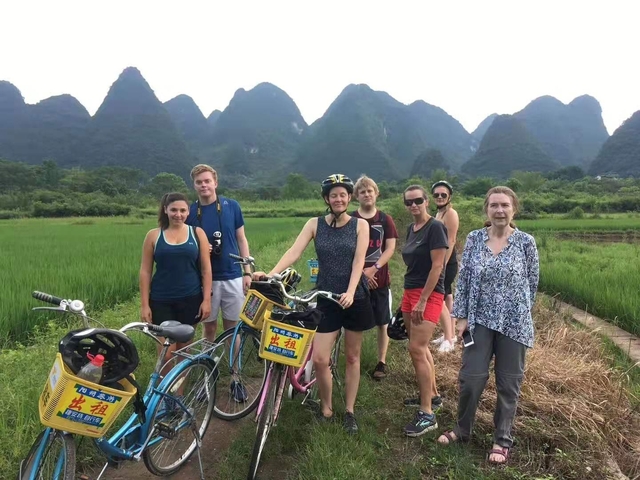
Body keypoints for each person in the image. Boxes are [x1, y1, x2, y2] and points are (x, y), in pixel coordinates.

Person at [253, 174, 374, 435]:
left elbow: (358, 262)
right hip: (326, 297)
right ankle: (327, 409)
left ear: (349, 197)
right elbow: (294, 252)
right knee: (320, 359)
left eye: (343, 194)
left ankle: (350, 411)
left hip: (355, 298)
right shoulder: (314, 224)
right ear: (326, 199)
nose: (339, 199)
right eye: (334, 195)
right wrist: (272, 274)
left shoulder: (360, 225)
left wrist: (351, 291)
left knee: (352, 356)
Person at [437, 186, 539, 466]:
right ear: (487, 209)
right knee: (471, 378)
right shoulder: (473, 239)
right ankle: (462, 428)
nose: (499, 210)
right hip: (478, 321)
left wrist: (517, 312)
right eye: (494, 205)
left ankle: (501, 439)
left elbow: (532, 283)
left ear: (513, 209)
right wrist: (461, 317)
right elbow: (465, 278)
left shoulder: (526, 242)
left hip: (514, 324)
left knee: (509, 384)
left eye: (505, 205)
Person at [186, 164, 252, 402]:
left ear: (215, 182)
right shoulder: (190, 212)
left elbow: (241, 239)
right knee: (209, 329)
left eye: (207, 181)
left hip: (233, 275)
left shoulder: (231, 206)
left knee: (233, 330)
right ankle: (207, 379)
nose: (204, 185)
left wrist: (247, 271)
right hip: (206, 281)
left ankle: (236, 378)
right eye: (199, 182)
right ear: (194, 185)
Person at [139, 192, 212, 373]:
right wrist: (144, 305)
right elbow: (145, 271)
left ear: (188, 212)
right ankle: (165, 398)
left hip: (191, 298)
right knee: (165, 353)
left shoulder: (197, 233)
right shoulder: (153, 235)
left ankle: (178, 397)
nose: (178, 214)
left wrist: (206, 300)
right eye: (173, 210)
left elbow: (206, 269)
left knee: (183, 351)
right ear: (165, 210)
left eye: (182, 210)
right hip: (161, 300)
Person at [401, 185, 448, 437]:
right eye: (409, 202)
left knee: (416, 349)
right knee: (420, 347)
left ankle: (427, 413)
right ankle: (432, 394)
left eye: (418, 200)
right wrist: (408, 300)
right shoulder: (412, 228)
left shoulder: (435, 228)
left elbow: (437, 266)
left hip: (427, 294)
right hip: (410, 291)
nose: (414, 205)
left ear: (427, 201)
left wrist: (422, 300)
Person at [351, 175, 399, 380]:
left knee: (383, 322)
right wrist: (362, 274)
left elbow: (390, 248)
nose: (367, 194)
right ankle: (355, 360)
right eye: (362, 192)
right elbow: (348, 250)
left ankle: (382, 361)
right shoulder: (351, 219)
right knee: (356, 323)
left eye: (370, 191)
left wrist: (374, 269)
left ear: (376, 193)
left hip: (380, 280)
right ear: (356, 196)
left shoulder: (384, 219)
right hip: (356, 279)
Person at [430, 180, 460, 353]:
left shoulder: (451, 214)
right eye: (436, 195)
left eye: (443, 195)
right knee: (447, 295)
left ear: (449, 196)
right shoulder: (439, 213)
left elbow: (451, 240)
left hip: (447, 262)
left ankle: (448, 339)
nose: (440, 197)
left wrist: (442, 264)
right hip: (442, 261)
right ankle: (450, 334)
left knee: (438, 295)